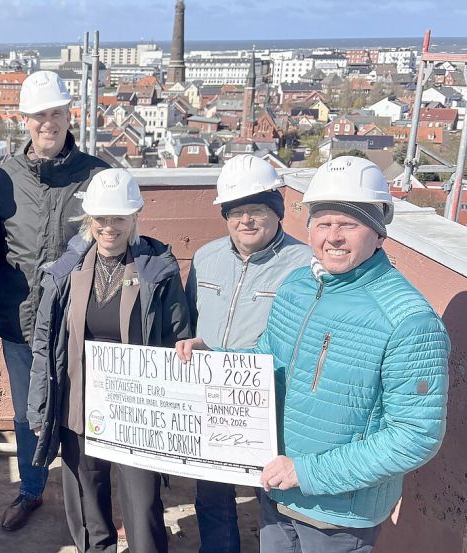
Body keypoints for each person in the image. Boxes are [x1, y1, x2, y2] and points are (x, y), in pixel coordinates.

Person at [178, 156, 449, 553]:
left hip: (338, 514)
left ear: (378, 232)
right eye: (323, 224)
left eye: (349, 224)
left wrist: (307, 472)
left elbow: (415, 435)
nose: (333, 237)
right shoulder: (299, 284)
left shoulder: (408, 321)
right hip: (277, 491)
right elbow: (269, 358)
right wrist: (214, 358)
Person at [27, 168, 191, 553]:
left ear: (135, 218)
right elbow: (44, 342)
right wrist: (39, 406)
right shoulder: (67, 271)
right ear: (89, 219)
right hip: (79, 403)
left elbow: (178, 337)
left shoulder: (158, 271)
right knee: (86, 498)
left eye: (119, 217)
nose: (109, 227)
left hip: (137, 408)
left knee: (143, 501)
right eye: (101, 218)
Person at [0, 70, 109, 531]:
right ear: (24, 120)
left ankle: (93, 501)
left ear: (68, 115)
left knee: (85, 413)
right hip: (19, 320)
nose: (47, 124)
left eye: (55, 114)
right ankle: (31, 490)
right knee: (26, 413)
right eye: (38, 116)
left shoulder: (97, 175)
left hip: (78, 325)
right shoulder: (6, 176)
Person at [184, 155, 311, 553]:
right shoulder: (206, 258)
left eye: (256, 210)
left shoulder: (305, 265)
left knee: (271, 496)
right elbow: (192, 318)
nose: (246, 221)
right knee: (212, 491)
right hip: (212, 397)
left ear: (276, 212)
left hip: (274, 402)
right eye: (236, 212)